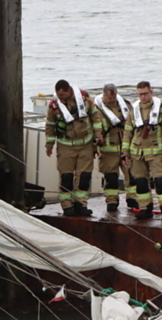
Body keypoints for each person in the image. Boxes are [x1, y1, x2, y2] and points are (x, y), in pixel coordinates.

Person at [46, 79, 103, 217]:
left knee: (84, 177)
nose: (60, 98)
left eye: (63, 95)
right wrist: (49, 146)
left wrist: (98, 136)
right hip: (66, 146)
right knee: (66, 177)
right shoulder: (54, 106)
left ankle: (81, 204)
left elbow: (95, 117)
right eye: (58, 95)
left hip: (85, 145)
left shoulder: (84, 99)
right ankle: (67, 206)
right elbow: (50, 126)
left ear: (69, 91)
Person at [123, 81, 162, 222]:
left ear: (151, 92)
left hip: (156, 152)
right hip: (137, 153)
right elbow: (127, 133)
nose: (143, 97)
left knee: (160, 182)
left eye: (145, 93)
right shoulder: (134, 112)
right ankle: (145, 208)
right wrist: (125, 153)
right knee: (140, 182)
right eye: (140, 94)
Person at [94, 83, 136, 213]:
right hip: (108, 150)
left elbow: (133, 124)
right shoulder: (96, 109)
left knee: (131, 175)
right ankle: (112, 201)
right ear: (104, 96)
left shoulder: (126, 105)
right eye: (109, 99)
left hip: (125, 147)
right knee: (111, 178)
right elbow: (94, 127)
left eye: (113, 98)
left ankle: (133, 199)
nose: (111, 100)